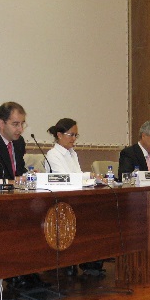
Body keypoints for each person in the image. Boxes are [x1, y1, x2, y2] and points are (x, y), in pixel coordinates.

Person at [0, 102, 48, 290]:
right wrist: (8, 182)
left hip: (14, 200)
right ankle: (14, 272)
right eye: (15, 124)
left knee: (39, 215)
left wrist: (28, 176)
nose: (20, 129)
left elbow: (17, 171)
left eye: (22, 124)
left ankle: (28, 269)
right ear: (1, 124)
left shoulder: (19, 143)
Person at [45, 118, 104, 277]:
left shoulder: (72, 153)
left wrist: (92, 176)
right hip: (59, 200)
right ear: (59, 135)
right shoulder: (53, 154)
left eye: (76, 135)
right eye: (71, 135)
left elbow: (76, 175)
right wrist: (87, 176)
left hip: (74, 197)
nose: (73, 139)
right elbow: (65, 178)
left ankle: (90, 259)